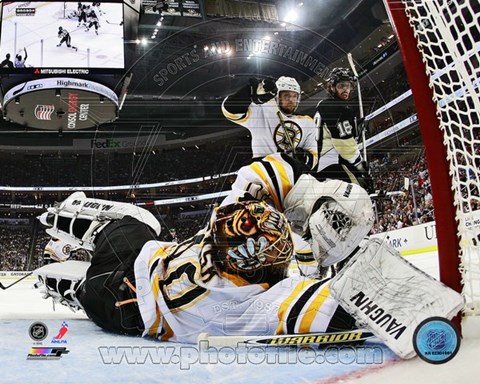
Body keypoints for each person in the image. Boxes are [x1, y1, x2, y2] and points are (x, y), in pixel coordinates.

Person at [33, 176, 463, 359]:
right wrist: (340, 251)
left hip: (137, 259)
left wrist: (297, 185)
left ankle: (59, 221)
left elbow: (264, 172)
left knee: (138, 221)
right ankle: (69, 286)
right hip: (122, 309)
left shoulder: (226, 223)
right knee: (91, 286)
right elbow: (345, 311)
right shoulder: (263, 301)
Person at [222, 76, 318, 171]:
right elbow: (230, 111)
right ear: (277, 96)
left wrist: (304, 158)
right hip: (264, 171)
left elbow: (315, 155)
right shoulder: (262, 111)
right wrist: (248, 91)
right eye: (286, 96)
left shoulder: (308, 122)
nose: (291, 100)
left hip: (293, 175)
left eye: (294, 96)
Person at [314, 68, 373, 193]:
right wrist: (360, 167)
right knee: (360, 196)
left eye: (348, 86)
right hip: (332, 167)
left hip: (323, 168)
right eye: (341, 86)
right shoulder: (338, 108)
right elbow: (344, 146)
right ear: (332, 87)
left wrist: (354, 131)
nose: (346, 89)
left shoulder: (328, 105)